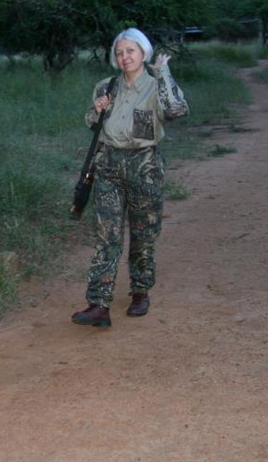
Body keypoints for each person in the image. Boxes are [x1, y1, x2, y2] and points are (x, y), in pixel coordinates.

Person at [71, 27, 189, 327]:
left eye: (131, 51)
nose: (125, 57)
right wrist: (97, 110)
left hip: (144, 166)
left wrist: (163, 73)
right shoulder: (107, 86)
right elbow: (92, 122)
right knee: (106, 235)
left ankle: (140, 291)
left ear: (143, 52)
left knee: (143, 234)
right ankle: (99, 304)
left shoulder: (157, 85)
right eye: (120, 52)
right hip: (109, 165)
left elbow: (176, 110)